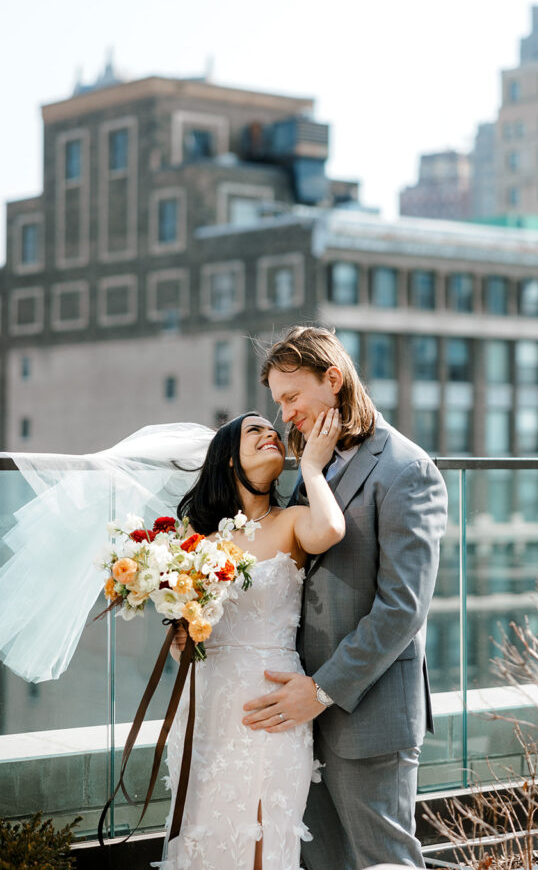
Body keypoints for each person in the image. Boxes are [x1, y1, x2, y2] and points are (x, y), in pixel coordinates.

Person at [243, 326, 448, 870]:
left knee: (384, 861)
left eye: (291, 397)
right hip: (298, 716)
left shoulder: (407, 471)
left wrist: (323, 690)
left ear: (332, 380)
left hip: (366, 714)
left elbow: (402, 609)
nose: (284, 414)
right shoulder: (312, 459)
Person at [164, 408, 344, 870]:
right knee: (202, 835)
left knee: (265, 841)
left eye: (274, 430)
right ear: (228, 459)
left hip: (272, 703)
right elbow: (181, 627)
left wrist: (311, 467)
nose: (271, 434)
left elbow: (330, 529)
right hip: (205, 706)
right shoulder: (194, 538)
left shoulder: (293, 521)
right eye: (255, 430)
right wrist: (180, 635)